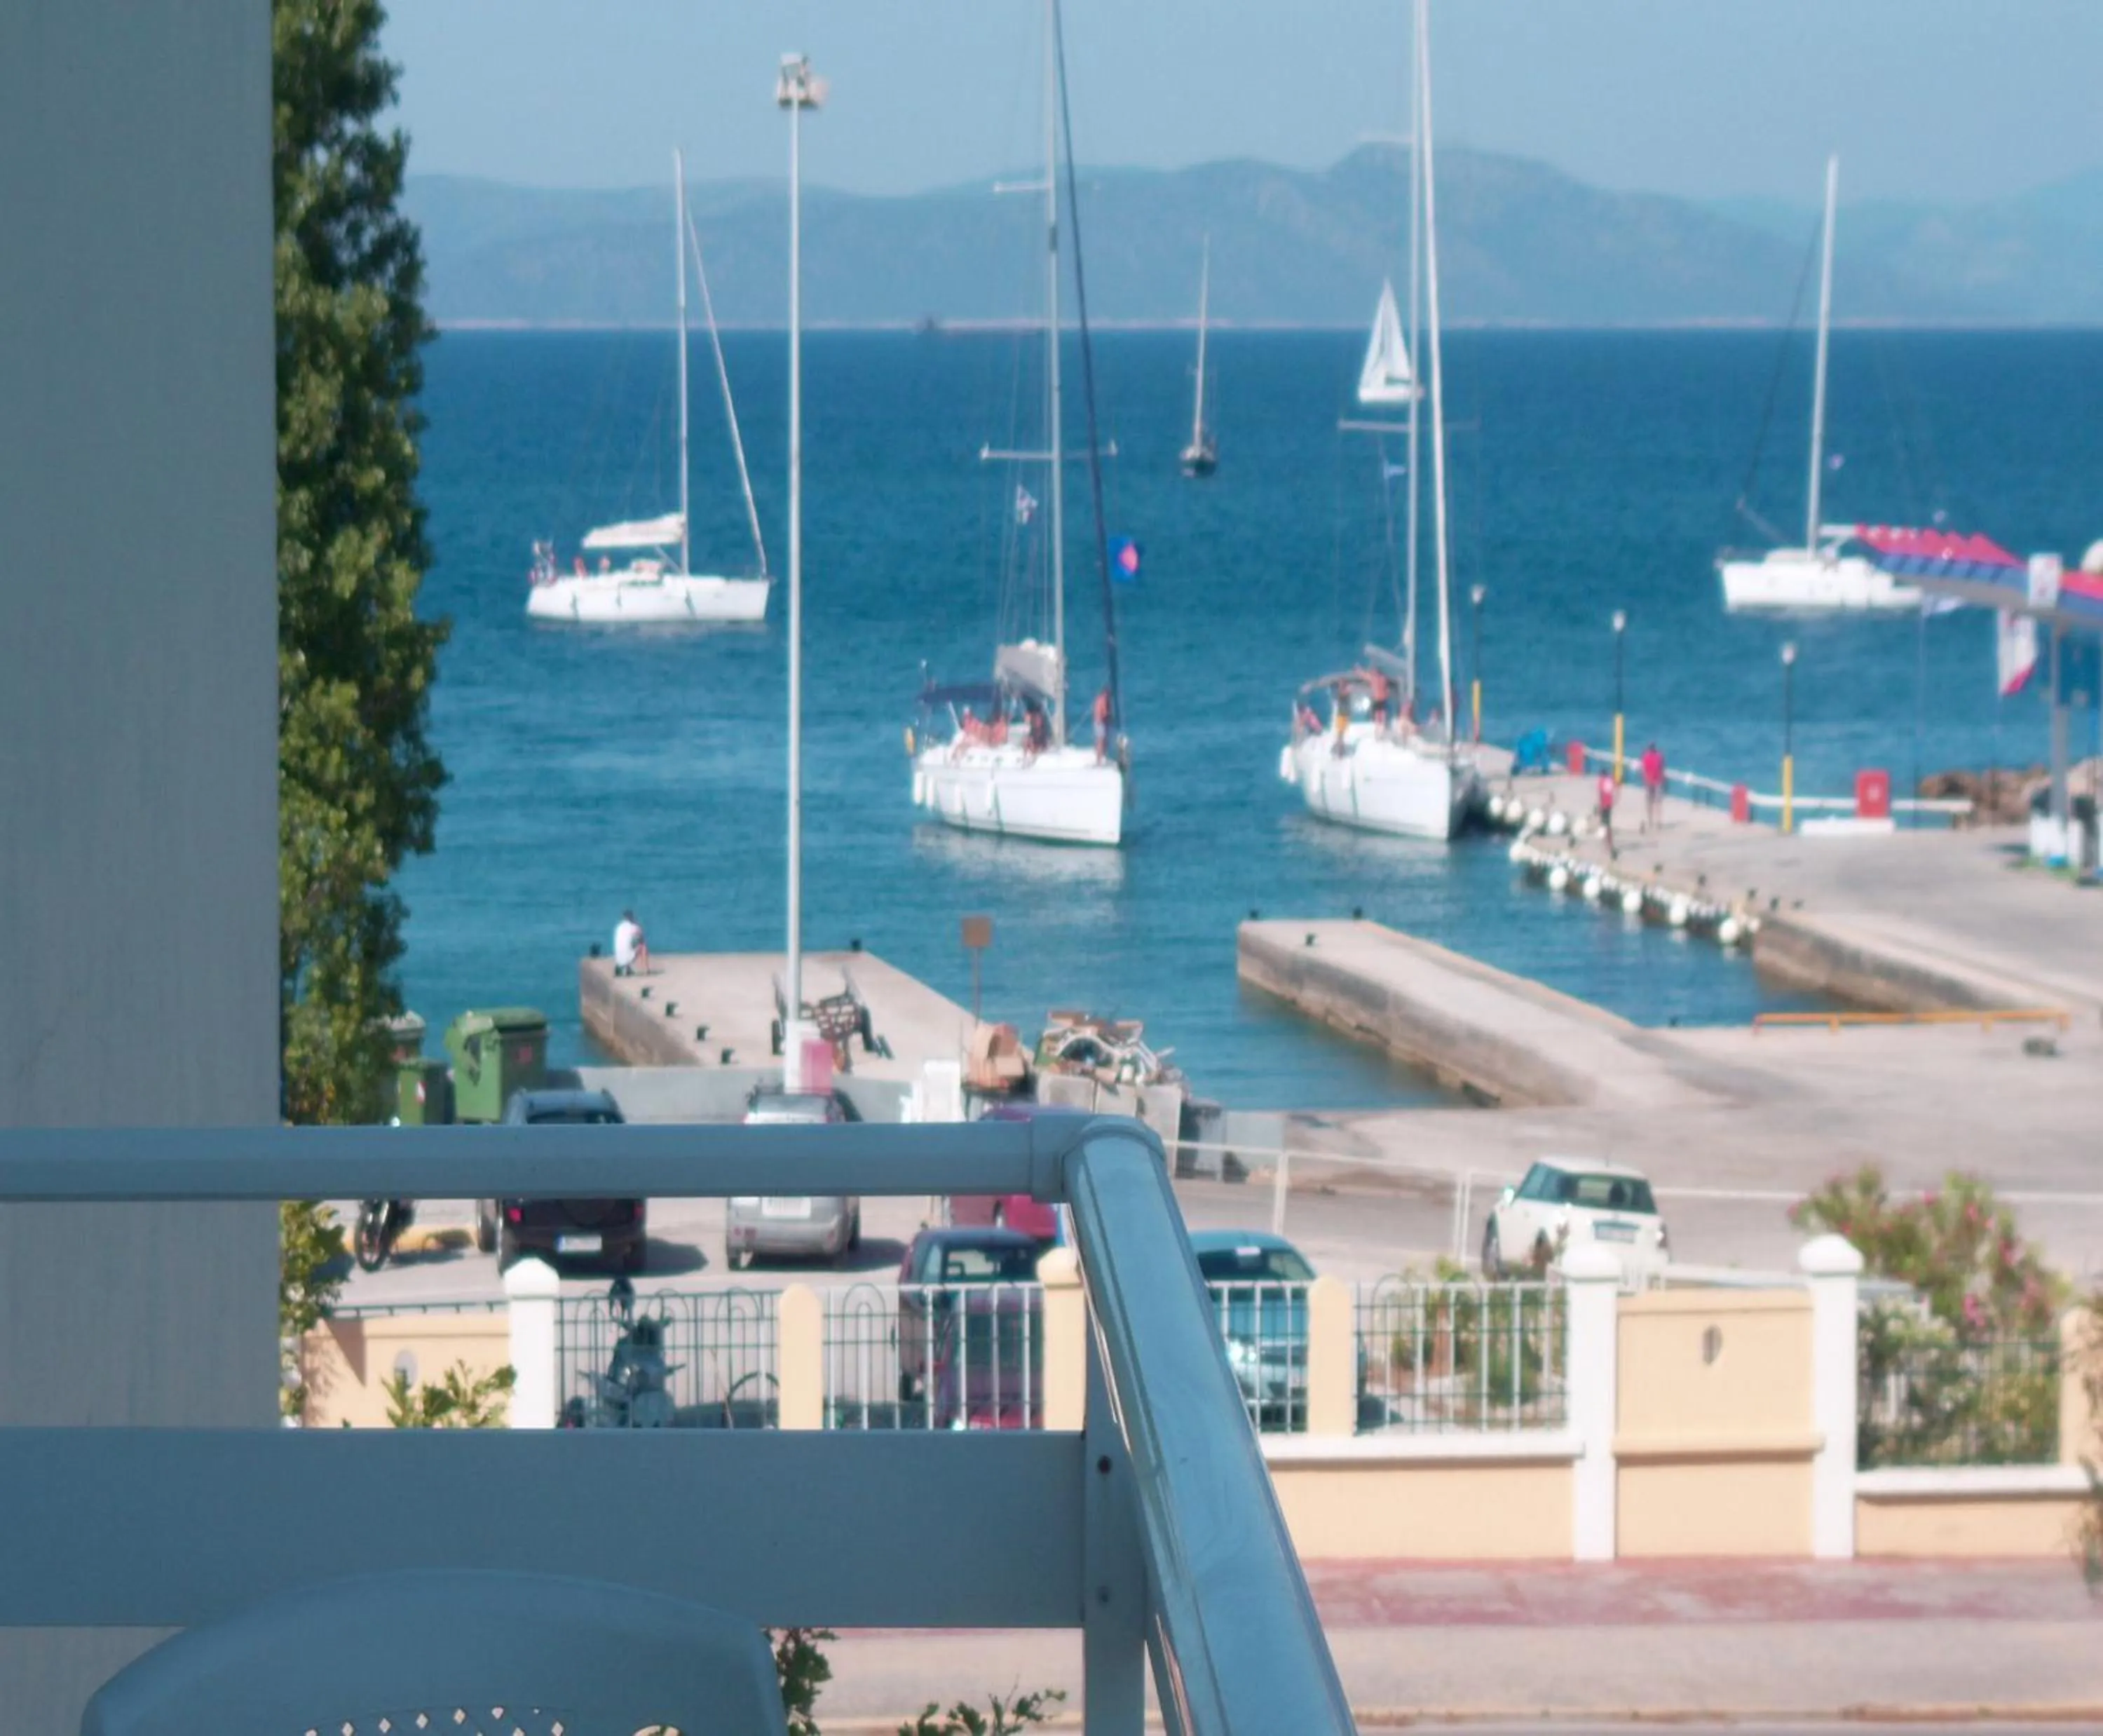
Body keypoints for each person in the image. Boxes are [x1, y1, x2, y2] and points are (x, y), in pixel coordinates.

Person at [613, 909, 650, 977]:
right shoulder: (634, 927)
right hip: (627, 957)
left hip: (618, 958)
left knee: (627, 944)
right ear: (632, 917)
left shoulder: (619, 927)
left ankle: (625, 968)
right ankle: (646, 969)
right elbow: (641, 938)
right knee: (643, 946)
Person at [1640, 742, 1666, 833]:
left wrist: (1645, 780)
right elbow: (1662, 768)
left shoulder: (1645, 757)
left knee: (1650, 803)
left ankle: (1651, 821)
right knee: (1658, 802)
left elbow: (1643, 770)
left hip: (1649, 781)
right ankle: (1658, 821)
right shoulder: (1659, 756)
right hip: (1657, 781)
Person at [1596, 770, 1618, 855]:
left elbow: (1601, 794)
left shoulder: (1601, 781)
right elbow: (1615, 788)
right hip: (1609, 804)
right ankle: (1609, 843)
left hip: (1604, 805)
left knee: (1605, 824)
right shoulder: (1610, 780)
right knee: (1608, 824)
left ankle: (1607, 843)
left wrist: (1600, 806)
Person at [1091, 685, 1114, 765]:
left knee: (1099, 741)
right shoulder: (1103, 700)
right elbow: (1104, 713)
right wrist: (1110, 716)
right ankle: (1100, 760)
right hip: (1100, 723)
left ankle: (1099, 759)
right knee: (1101, 741)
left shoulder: (1098, 699)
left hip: (1097, 722)